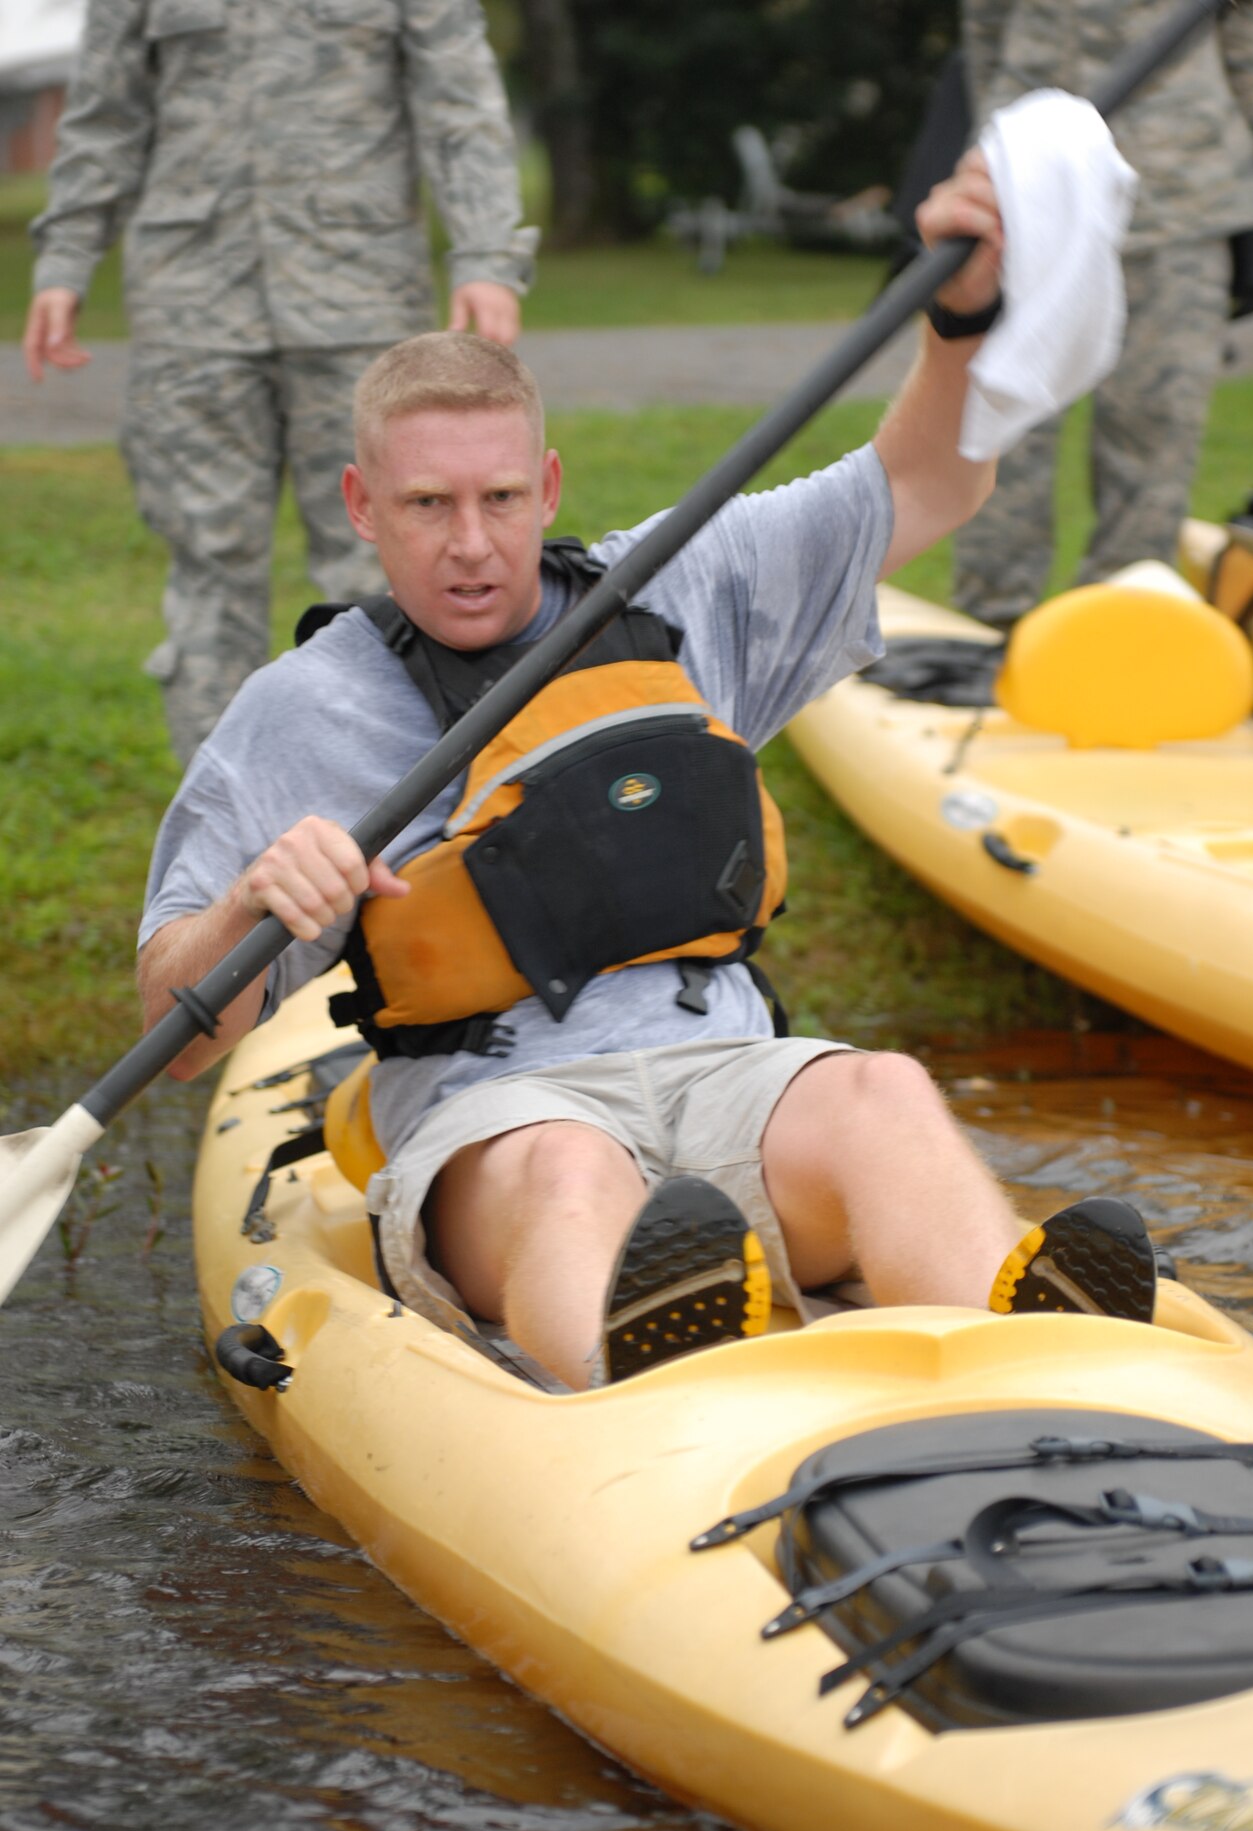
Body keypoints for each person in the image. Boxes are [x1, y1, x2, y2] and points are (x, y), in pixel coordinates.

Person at [135, 154, 1159, 1393]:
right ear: (360, 504)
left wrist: (958, 318)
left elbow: (930, 478)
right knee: (574, 1168)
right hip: (500, 1119)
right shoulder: (295, 713)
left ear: (549, 485)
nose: (471, 543)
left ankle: (1048, 1364)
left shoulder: (682, 584)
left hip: (727, 1079)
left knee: (880, 1088)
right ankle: (651, 1381)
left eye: (502, 497)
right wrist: (249, 904)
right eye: (426, 504)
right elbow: (176, 1035)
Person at [22, 0, 537, 767]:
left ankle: (392, 816)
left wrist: (488, 254)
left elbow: (458, 98)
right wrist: (66, 260)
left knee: (388, 567)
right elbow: (105, 113)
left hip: (359, 302)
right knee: (209, 573)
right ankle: (223, 827)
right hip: (192, 307)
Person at [952, 0, 1253, 630]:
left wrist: (1212, 139)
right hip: (1029, 182)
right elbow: (986, 25)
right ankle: (986, 624)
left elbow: (1250, 36)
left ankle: (1123, 632)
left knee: (1155, 429)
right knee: (1004, 420)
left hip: (1179, 178)